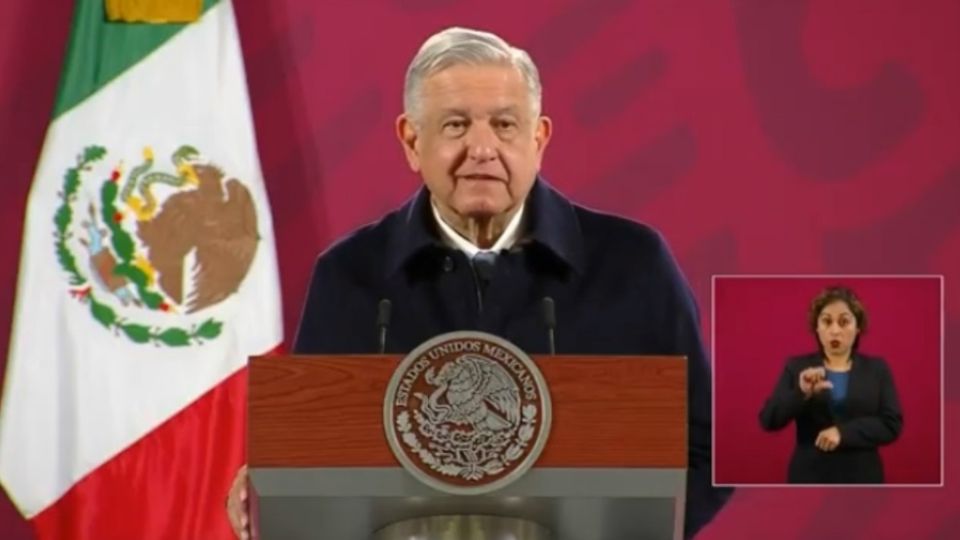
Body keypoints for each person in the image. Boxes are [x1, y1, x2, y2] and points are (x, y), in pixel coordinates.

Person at [228, 26, 732, 538]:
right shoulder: (350, 274)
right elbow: (313, 460)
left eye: (505, 125)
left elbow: (708, 449)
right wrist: (271, 489)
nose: (482, 148)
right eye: (455, 125)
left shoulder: (632, 263)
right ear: (411, 140)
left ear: (539, 140)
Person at [758, 285, 903, 483]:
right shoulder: (797, 367)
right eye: (827, 322)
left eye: (844, 322)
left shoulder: (877, 369)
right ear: (817, 327)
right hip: (809, 479)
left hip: (863, 479)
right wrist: (801, 392)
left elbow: (891, 425)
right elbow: (769, 420)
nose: (835, 330)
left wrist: (843, 433)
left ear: (858, 327)